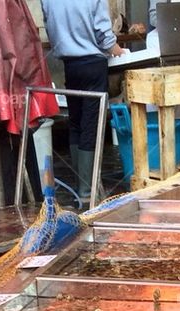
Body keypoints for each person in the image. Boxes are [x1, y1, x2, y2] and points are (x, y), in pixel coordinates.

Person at [41, 0, 126, 201]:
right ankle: (87, 192)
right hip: (94, 66)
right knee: (91, 127)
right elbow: (103, 33)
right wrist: (119, 51)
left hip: (70, 66)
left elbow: (50, 28)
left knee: (76, 124)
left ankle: (81, 187)